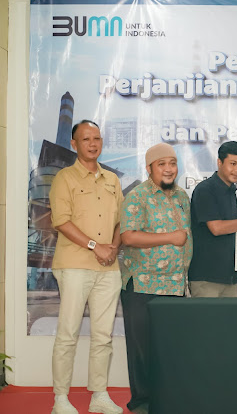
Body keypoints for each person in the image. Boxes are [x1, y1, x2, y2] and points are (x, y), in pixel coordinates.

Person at [49, 120, 123, 414]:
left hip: (108, 269)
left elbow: (120, 221)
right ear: (74, 144)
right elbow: (61, 221)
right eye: (86, 139)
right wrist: (96, 246)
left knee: (103, 336)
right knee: (68, 334)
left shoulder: (112, 179)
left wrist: (113, 248)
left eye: (97, 138)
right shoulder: (64, 178)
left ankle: (99, 396)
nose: (93, 144)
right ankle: (60, 399)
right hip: (74, 266)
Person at [120, 143, 193, 414]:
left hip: (175, 285)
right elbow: (128, 237)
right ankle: (142, 403)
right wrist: (170, 238)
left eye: (172, 163)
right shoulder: (137, 196)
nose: (169, 169)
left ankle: (167, 400)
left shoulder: (182, 196)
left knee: (170, 349)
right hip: (143, 284)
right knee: (142, 350)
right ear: (149, 168)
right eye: (161, 164)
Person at [188, 141, 237, 297]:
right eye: (233, 164)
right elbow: (217, 228)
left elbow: (230, 227)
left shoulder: (231, 191)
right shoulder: (205, 190)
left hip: (229, 277)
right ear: (220, 162)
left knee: (231, 314)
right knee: (208, 315)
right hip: (206, 278)